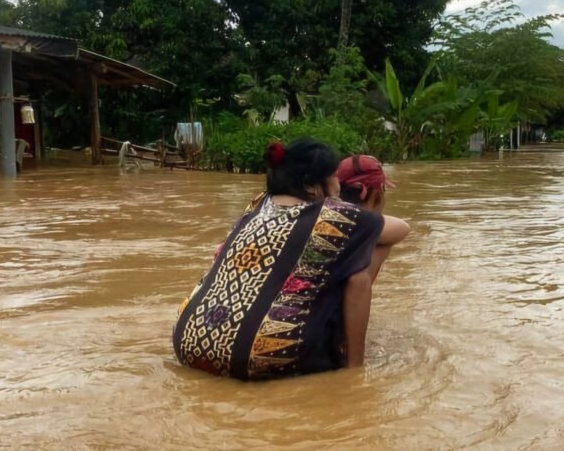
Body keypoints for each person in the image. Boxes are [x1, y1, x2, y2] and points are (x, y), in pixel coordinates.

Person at [172, 139, 406, 380]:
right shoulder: (336, 216)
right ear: (314, 185)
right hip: (256, 357)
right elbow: (401, 229)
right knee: (369, 254)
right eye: (334, 177)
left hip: (188, 340)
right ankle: (353, 365)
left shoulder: (257, 205)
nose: (338, 185)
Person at [337, 155, 410, 282]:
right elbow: (402, 228)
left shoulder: (319, 216)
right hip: (347, 292)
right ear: (378, 194)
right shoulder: (376, 229)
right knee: (380, 245)